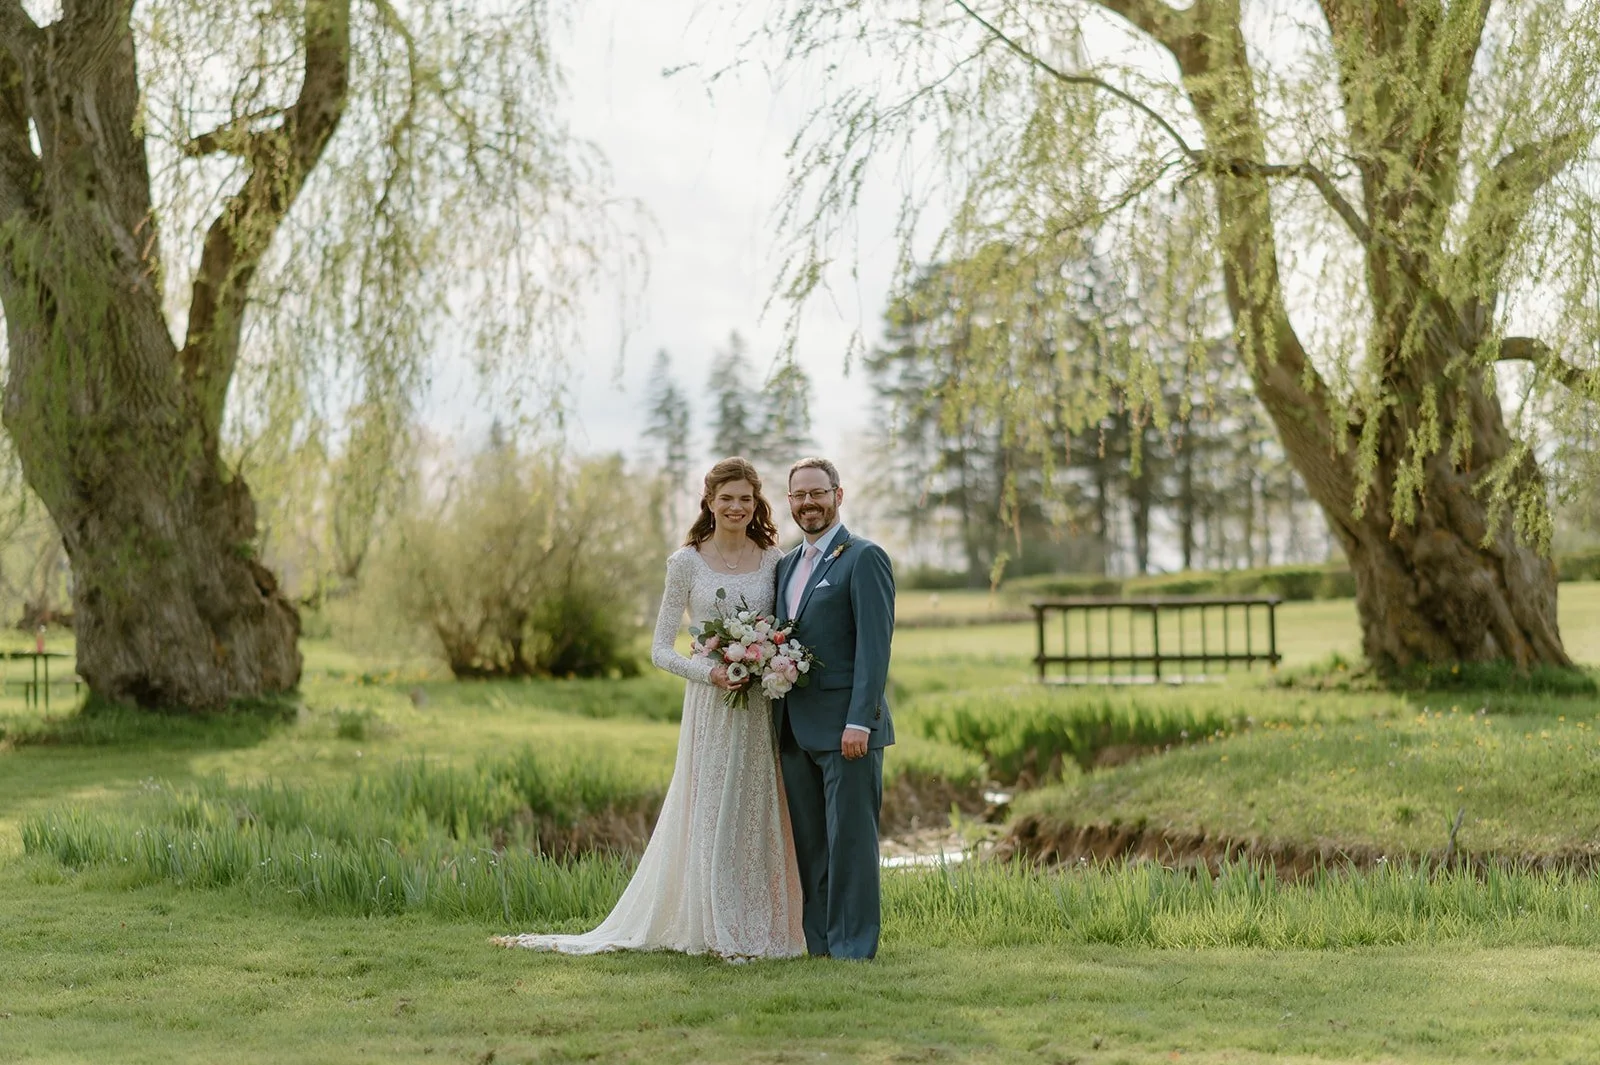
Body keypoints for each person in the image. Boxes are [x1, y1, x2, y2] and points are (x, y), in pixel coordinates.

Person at [493, 457, 805, 961]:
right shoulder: (686, 563)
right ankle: (714, 926)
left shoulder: (774, 559)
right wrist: (711, 672)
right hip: (711, 704)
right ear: (709, 501)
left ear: (757, 503)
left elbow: (788, 627)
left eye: (745, 498)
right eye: (726, 498)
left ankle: (759, 922)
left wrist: (771, 660)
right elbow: (660, 649)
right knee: (711, 811)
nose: (736, 507)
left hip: (759, 708)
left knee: (756, 810)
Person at [774, 457, 895, 960]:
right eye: (799, 495)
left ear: (838, 496)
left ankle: (854, 946)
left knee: (850, 845)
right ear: (790, 502)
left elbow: (874, 646)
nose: (808, 503)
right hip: (795, 730)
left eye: (817, 493)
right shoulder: (783, 565)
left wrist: (858, 720)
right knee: (812, 845)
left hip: (849, 731)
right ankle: (820, 945)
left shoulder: (863, 557)